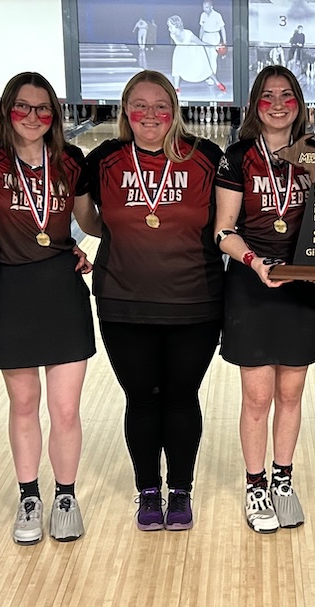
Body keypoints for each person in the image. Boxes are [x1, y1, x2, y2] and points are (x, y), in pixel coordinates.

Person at [0, 72, 96, 546]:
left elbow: (87, 221)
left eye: (43, 108)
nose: (33, 117)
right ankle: (29, 496)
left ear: (54, 114)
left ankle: (65, 496)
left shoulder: (70, 159)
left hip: (61, 285)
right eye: (23, 106)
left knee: (65, 408)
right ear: (6, 109)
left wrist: (130, 235)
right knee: (23, 403)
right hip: (9, 289)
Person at [82, 70, 224, 531]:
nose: (149, 114)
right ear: (125, 109)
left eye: (159, 104)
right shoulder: (105, 158)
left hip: (195, 301)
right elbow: (88, 221)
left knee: (182, 397)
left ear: (175, 108)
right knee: (141, 398)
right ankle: (147, 490)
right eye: (138, 104)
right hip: (123, 302)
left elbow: (225, 224)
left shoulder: (206, 156)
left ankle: (180, 488)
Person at [214, 65, 315, 533]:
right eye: (267, 96)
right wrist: (256, 261)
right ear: (255, 104)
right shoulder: (236, 158)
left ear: (299, 103)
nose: (278, 104)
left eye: (287, 96)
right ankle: (256, 485)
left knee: (291, 392)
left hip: (302, 286)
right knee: (257, 396)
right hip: (251, 283)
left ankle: (283, 479)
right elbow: (223, 231)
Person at [168, 15, 226, 93]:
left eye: (171, 27)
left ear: (177, 26)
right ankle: (176, 88)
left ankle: (218, 83)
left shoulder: (188, 34)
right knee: (176, 68)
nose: (169, 29)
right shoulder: (172, 34)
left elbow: (201, 43)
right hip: (180, 53)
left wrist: (214, 46)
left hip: (192, 52)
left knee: (205, 68)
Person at [198, 0, 226, 81]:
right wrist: (200, 40)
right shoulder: (203, 15)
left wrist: (224, 42)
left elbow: (222, 28)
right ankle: (206, 76)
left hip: (214, 37)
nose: (204, 9)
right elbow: (202, 28)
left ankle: (212, 78)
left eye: (206, 7)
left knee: (213, 58)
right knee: (206, 58)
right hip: (205, 36)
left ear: (211, 7)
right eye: (203, 7)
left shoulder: (217, 15)